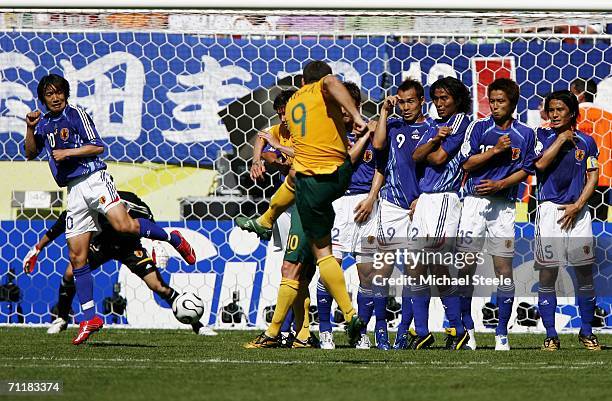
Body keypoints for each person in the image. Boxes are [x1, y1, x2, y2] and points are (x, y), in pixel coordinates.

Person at [24, 74, 196, 344]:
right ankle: (90, 317)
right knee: (76, 257)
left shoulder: (77, 114)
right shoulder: (43, 124)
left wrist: (68, 153)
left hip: (95, 180)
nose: (55, 97)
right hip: (74, 190)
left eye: (59, 92)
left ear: (66, 94)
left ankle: (171, 237)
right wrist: (30, 128)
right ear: (43, 98)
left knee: (124, 225)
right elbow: (30, 153)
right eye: (49, 94)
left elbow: (99, 146)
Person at [23, 191, 217, 336]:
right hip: (102, 244)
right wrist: (38, 248)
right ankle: (62, 318)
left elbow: (146, 218)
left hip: (130, 247)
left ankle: (197, 326)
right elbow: (61, 223)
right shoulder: (86, 203)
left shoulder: (127, 201)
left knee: (158, 286)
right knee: (70, 274)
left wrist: (157, 243)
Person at [285, 60, 367, 346]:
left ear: (301, 81)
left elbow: (329, 84)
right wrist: (358, 116)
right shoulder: (323, 89)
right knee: (327, 255)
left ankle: (266, 218)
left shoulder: (294, 102)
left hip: (311, 183)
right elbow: (332, 83)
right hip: (340, 174)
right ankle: (350, 315)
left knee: (321, 253)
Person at [457, 78, 537, 351]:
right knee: (465, 268)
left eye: (500, 101)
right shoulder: (478, 127)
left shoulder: (526, 133)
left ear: (513, 103)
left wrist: (501, 184)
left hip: (503, 207)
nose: (495, 106)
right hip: (474, 205)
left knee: (504, 270)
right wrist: (495, 151)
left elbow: (527, 169)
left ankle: (501, 333)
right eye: (491, 101)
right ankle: (468, 332)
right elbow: (466, 162)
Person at [534, 90, 601, 351]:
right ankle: (551, 335)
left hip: (578, 212)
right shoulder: (541, 136)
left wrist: (578, 205)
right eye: (551, 109)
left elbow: (593, 175)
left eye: (560, 109)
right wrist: (561, 139)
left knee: (584, 273)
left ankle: (586, 332)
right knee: (548, 273)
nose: (554, 113)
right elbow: (540, 165)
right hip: (549, 211)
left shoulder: (587, 142)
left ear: (572, 112)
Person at [317, 81, 382, 350]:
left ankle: (360, 332)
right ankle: (324, 330)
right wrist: (366, 133)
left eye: (347, 106)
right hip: (340, 205)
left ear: (356, 106)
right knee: (332, 271)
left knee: (368, 273)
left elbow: (382, 167)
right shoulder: (331, 133)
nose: (342, 111)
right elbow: (346, 161)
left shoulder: (378, 130)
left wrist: (371, 197)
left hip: (368, 204)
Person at [410, 76, 472, 350]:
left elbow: (437, 158)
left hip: (444, 199)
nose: (439, 103)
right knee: (415, 267)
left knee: (438, 266)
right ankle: (422, 331)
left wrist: (431, 147)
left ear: (457, 99)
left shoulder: (460, 122)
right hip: (425, 199)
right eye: (435, 98)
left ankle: (458, 329)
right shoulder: (434, 126)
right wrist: (434, 139)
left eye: (444, 98)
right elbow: (415, 156)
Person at [371, 78, 433, 350]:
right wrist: (384, 112)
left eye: (411, 101)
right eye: (401, 101)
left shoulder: (432, 128)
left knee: (414, 273)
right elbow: (378, 145)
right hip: (391, 205)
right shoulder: (393, 124)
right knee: (382, 270)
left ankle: (403, 332)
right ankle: (380, 327)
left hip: (418, 208)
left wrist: (424, 198)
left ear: (421, 102)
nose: (405, 107)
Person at [570, 78, 611, 221]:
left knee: (573, 223)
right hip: (602, 176)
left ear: (578, 93)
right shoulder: (608, 117)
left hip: (574, 175)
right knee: (598, 224)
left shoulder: (570, 117)